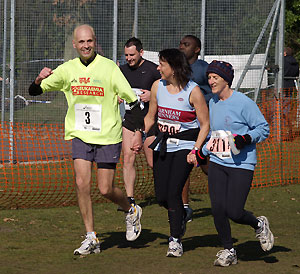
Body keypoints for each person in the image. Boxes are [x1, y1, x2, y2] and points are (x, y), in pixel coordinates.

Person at [28, 24, 143, 256]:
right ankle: (91, 237)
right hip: (80, 134)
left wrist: (138, 130)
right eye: (81, 42)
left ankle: (131, 209)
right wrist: (39, 79)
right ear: (74, 44)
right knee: (81, 184)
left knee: (105, 189)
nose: (85, 45)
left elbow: (132, 101)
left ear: (95, 41)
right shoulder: (68, 69)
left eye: (89, 41)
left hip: (108, 135)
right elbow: (34, 92)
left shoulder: (109, 67)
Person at [195, 60, 274, 266]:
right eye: (209, 78)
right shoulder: (212, 102)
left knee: (235, 211)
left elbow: (263, 128)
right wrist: (202, 152)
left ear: (226, 80)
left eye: (215, 78)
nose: (211, 81)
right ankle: (229, 250)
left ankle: (258, 224)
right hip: (218, 163)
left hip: (242, 164)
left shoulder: (243, 102)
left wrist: (246, 138)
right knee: (218, 209)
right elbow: (215, 135)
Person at [144, 48, 209, 257]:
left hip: (185, 147)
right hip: (162, 145)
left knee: (173, 192)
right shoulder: (157, 86)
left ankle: (175, 240)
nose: (158, 68)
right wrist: (140, 134)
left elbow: (205, 124)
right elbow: (150, 117)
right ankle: (181, 214)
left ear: (173, 67)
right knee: (162, 196)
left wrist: (196, 150)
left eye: (162, 64)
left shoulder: (193, 91)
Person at [120, 37, 161, 206]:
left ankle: (164, 193)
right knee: (128, 158)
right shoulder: (121, 70)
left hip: (149, 123)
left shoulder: (153, 70)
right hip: (130, 121)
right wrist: (117, 96)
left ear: (141, 52)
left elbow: (169, 89)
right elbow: (114, 88)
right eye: (126, 55)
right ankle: (130, 198)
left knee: (153, 163)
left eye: (132, 55)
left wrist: (153, 96)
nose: (129, 58)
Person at [179, 35, 212, 222]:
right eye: (181, 44)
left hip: (203, 126)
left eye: (186, 44)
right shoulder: (178, 68)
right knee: (183, 166)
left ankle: (223, 194)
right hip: (184, 125)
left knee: (206, 164)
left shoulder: (204, 69)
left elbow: (216, 90)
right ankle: (184, 208)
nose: (182, 47)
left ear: (196, 49)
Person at [282, 47, 299, 140]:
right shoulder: (295, 62)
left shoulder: (283, 61)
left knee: (280, 108)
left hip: (282, 85)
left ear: (285, 53)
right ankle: (288, 130)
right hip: (290, 85)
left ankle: (282, 130)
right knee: (287, 108)